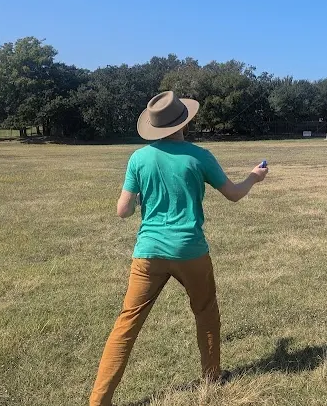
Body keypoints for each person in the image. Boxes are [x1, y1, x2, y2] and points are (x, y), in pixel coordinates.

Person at [89, 91, 269, 406]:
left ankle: (99, 399)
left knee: (127, 323)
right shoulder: (199, 156)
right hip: (191, 251)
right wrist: (253, 178)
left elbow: (123, 211)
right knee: (206, 312)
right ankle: (212, 377)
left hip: (148, 252)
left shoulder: (139, 158)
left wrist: (140, 203)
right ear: (184, 121)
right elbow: (234, 194)